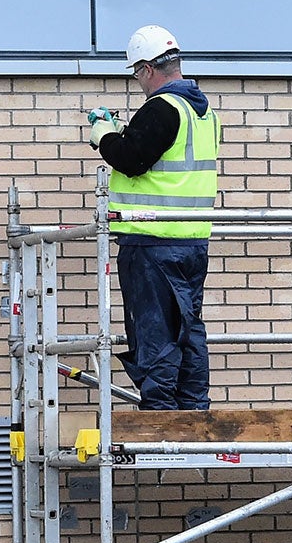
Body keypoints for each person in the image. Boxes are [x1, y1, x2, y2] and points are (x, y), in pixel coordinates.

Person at [89, 25, 220, 410]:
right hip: (191, 241)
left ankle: (160, 419)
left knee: (155, 333)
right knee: (188, 330)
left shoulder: (162, 108)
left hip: (152, 241)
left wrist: (104, 136)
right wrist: (125, 134)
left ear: (147, 68)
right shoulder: (204, 112)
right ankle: (194, 412)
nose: (138, 82)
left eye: (135, 73)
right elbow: (160, 157)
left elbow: (132, 160)